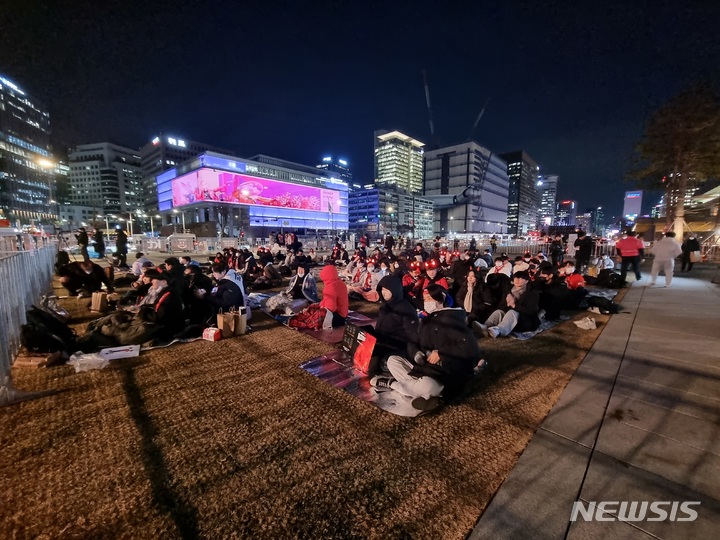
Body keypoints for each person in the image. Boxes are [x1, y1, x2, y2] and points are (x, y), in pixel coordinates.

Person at [371, 285, 481, 413]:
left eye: (429, 298)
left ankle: (392, 384)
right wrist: (417, 354)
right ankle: (424, 396)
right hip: (423, 368)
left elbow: (470, 348)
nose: (426, 302)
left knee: (428, 386)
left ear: (441, 298)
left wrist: (441, 353)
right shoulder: (425, 321)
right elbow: (412, 342)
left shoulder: (452, 319)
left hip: (444, 372)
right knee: (392, 361)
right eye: (425, 299)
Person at [475, 271, 540, 338]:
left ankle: (498, 330)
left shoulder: (531, 293)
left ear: (526, 281)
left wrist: (514, 305)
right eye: (516, 278)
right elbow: (501, 305)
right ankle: (485, 326)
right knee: (499, 312)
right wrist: (507, 304)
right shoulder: (509, 291)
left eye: (520, 279)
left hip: (524, 320)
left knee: (512, 312)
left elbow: (531, 311)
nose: (517, 280)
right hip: (508, 316)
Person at [288, 264, 348, 329]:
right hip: (343, 315)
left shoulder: (330, 287)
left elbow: (331, 307)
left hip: (336, 318)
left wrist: (319, 308)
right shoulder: (341, 283)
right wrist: (318, 305)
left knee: (318, 312)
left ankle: (305, 322)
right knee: (314, 306)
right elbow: (327, 300)